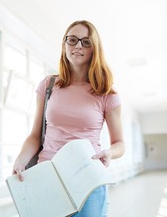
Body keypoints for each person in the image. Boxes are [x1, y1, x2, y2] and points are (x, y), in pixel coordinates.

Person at [12, 20, 125, 216]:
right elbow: (34, 136)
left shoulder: (106, 93)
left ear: (94, 49)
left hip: (88, 179)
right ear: (65, 45)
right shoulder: (48, 85)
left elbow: (119, 143)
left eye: (85, 42)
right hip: (49, 178)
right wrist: (20, 161)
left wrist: (109, 153)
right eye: (72, 40)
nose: (78, 45)